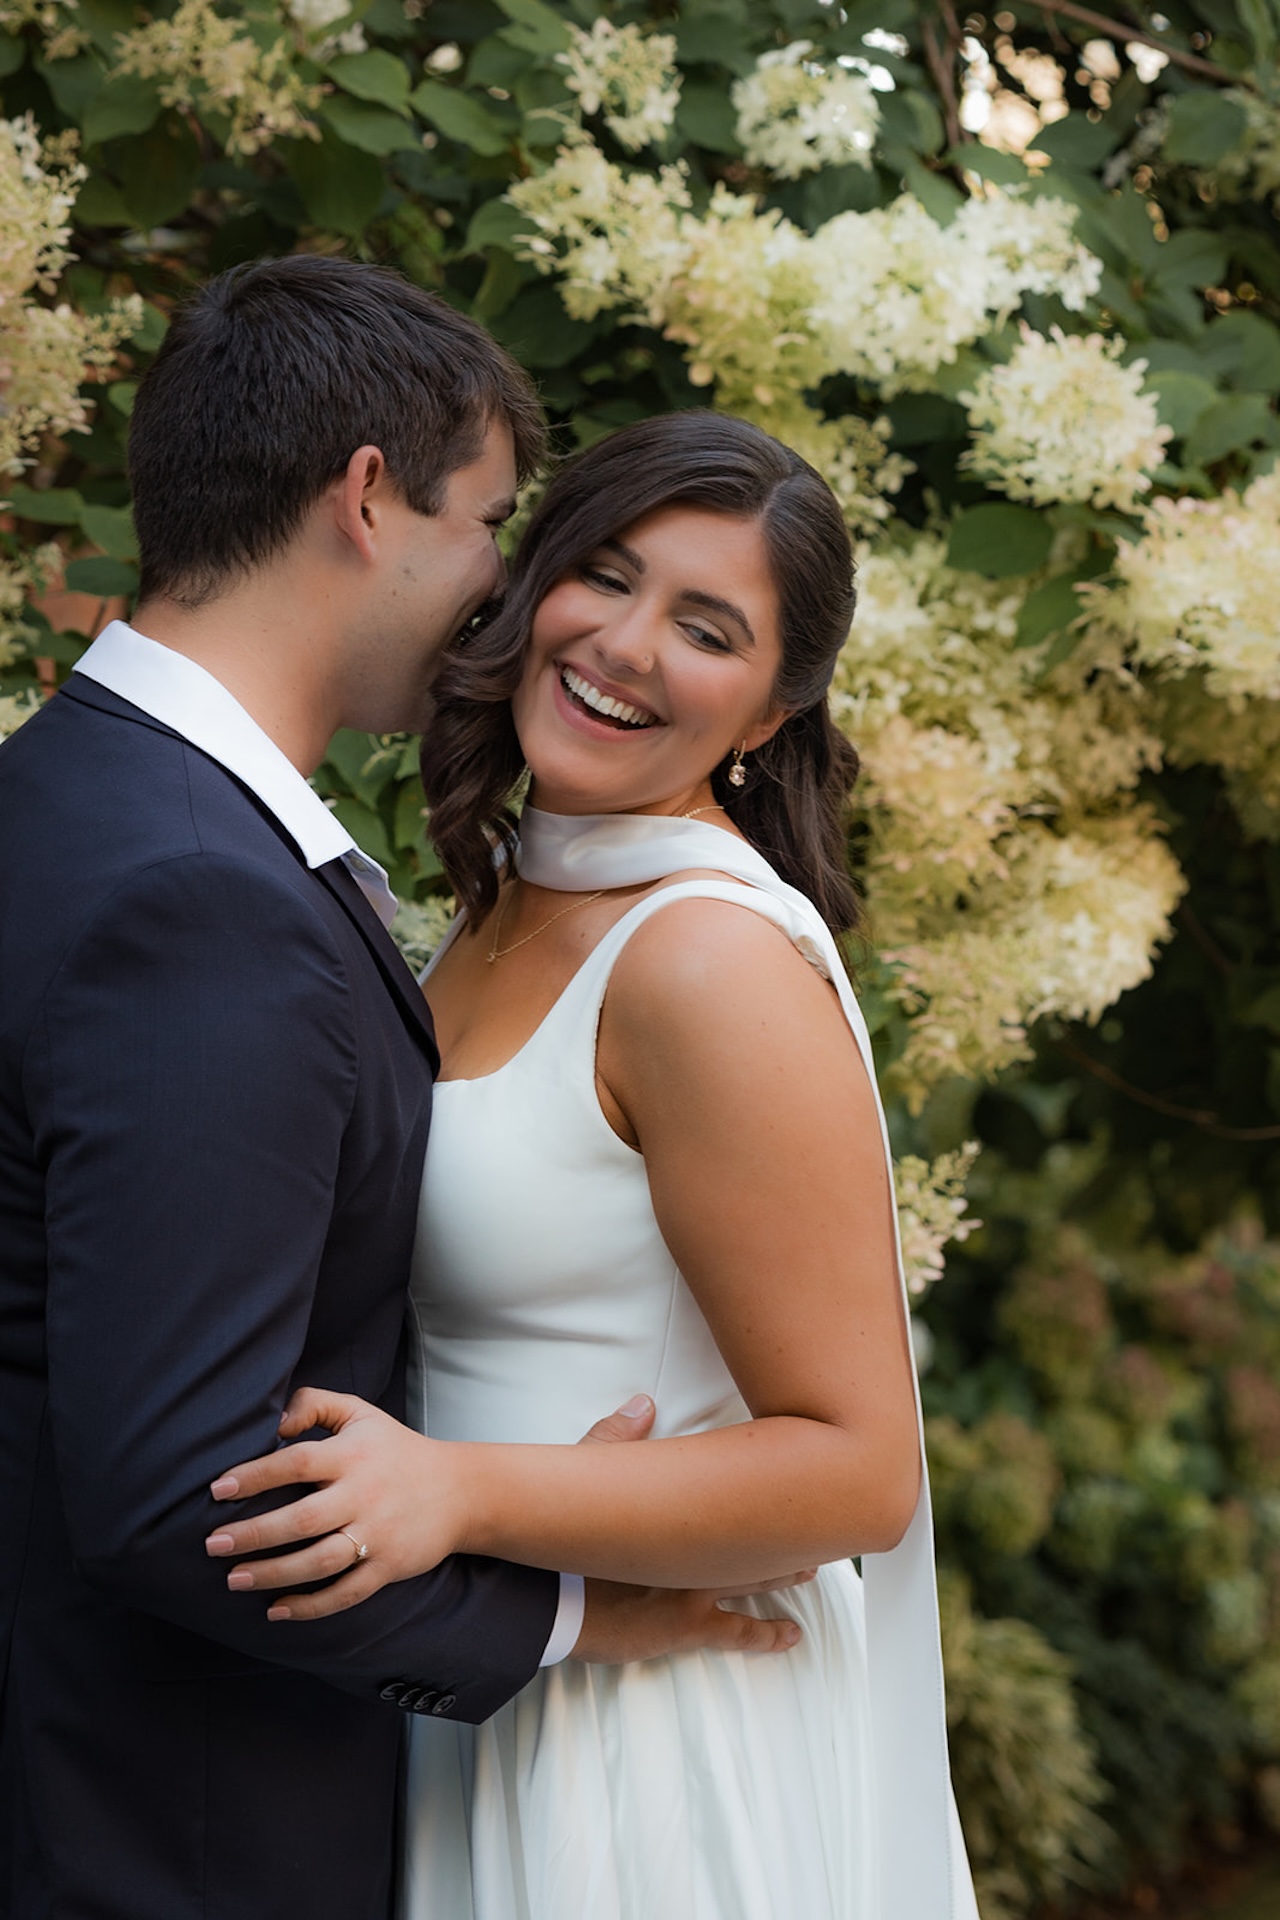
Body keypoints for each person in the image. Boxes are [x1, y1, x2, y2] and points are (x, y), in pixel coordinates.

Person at [0, 263, 800, 1920]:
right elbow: (174, 1499)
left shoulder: (56, 793)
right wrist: (573, 1613)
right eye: (497, 524)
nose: (504, 590)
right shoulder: (203, 904)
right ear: (370, 502)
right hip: (169, 1839)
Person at [204, 413, 980, 1919]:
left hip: (657, 1745)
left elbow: (860, 1467)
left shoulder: (704, 960)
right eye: (604, 578)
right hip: (504, 1675)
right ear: (537, 579)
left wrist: (457, 1493)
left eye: (704, 627)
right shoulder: (500, 906)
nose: (624, 646)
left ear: (767, 713)